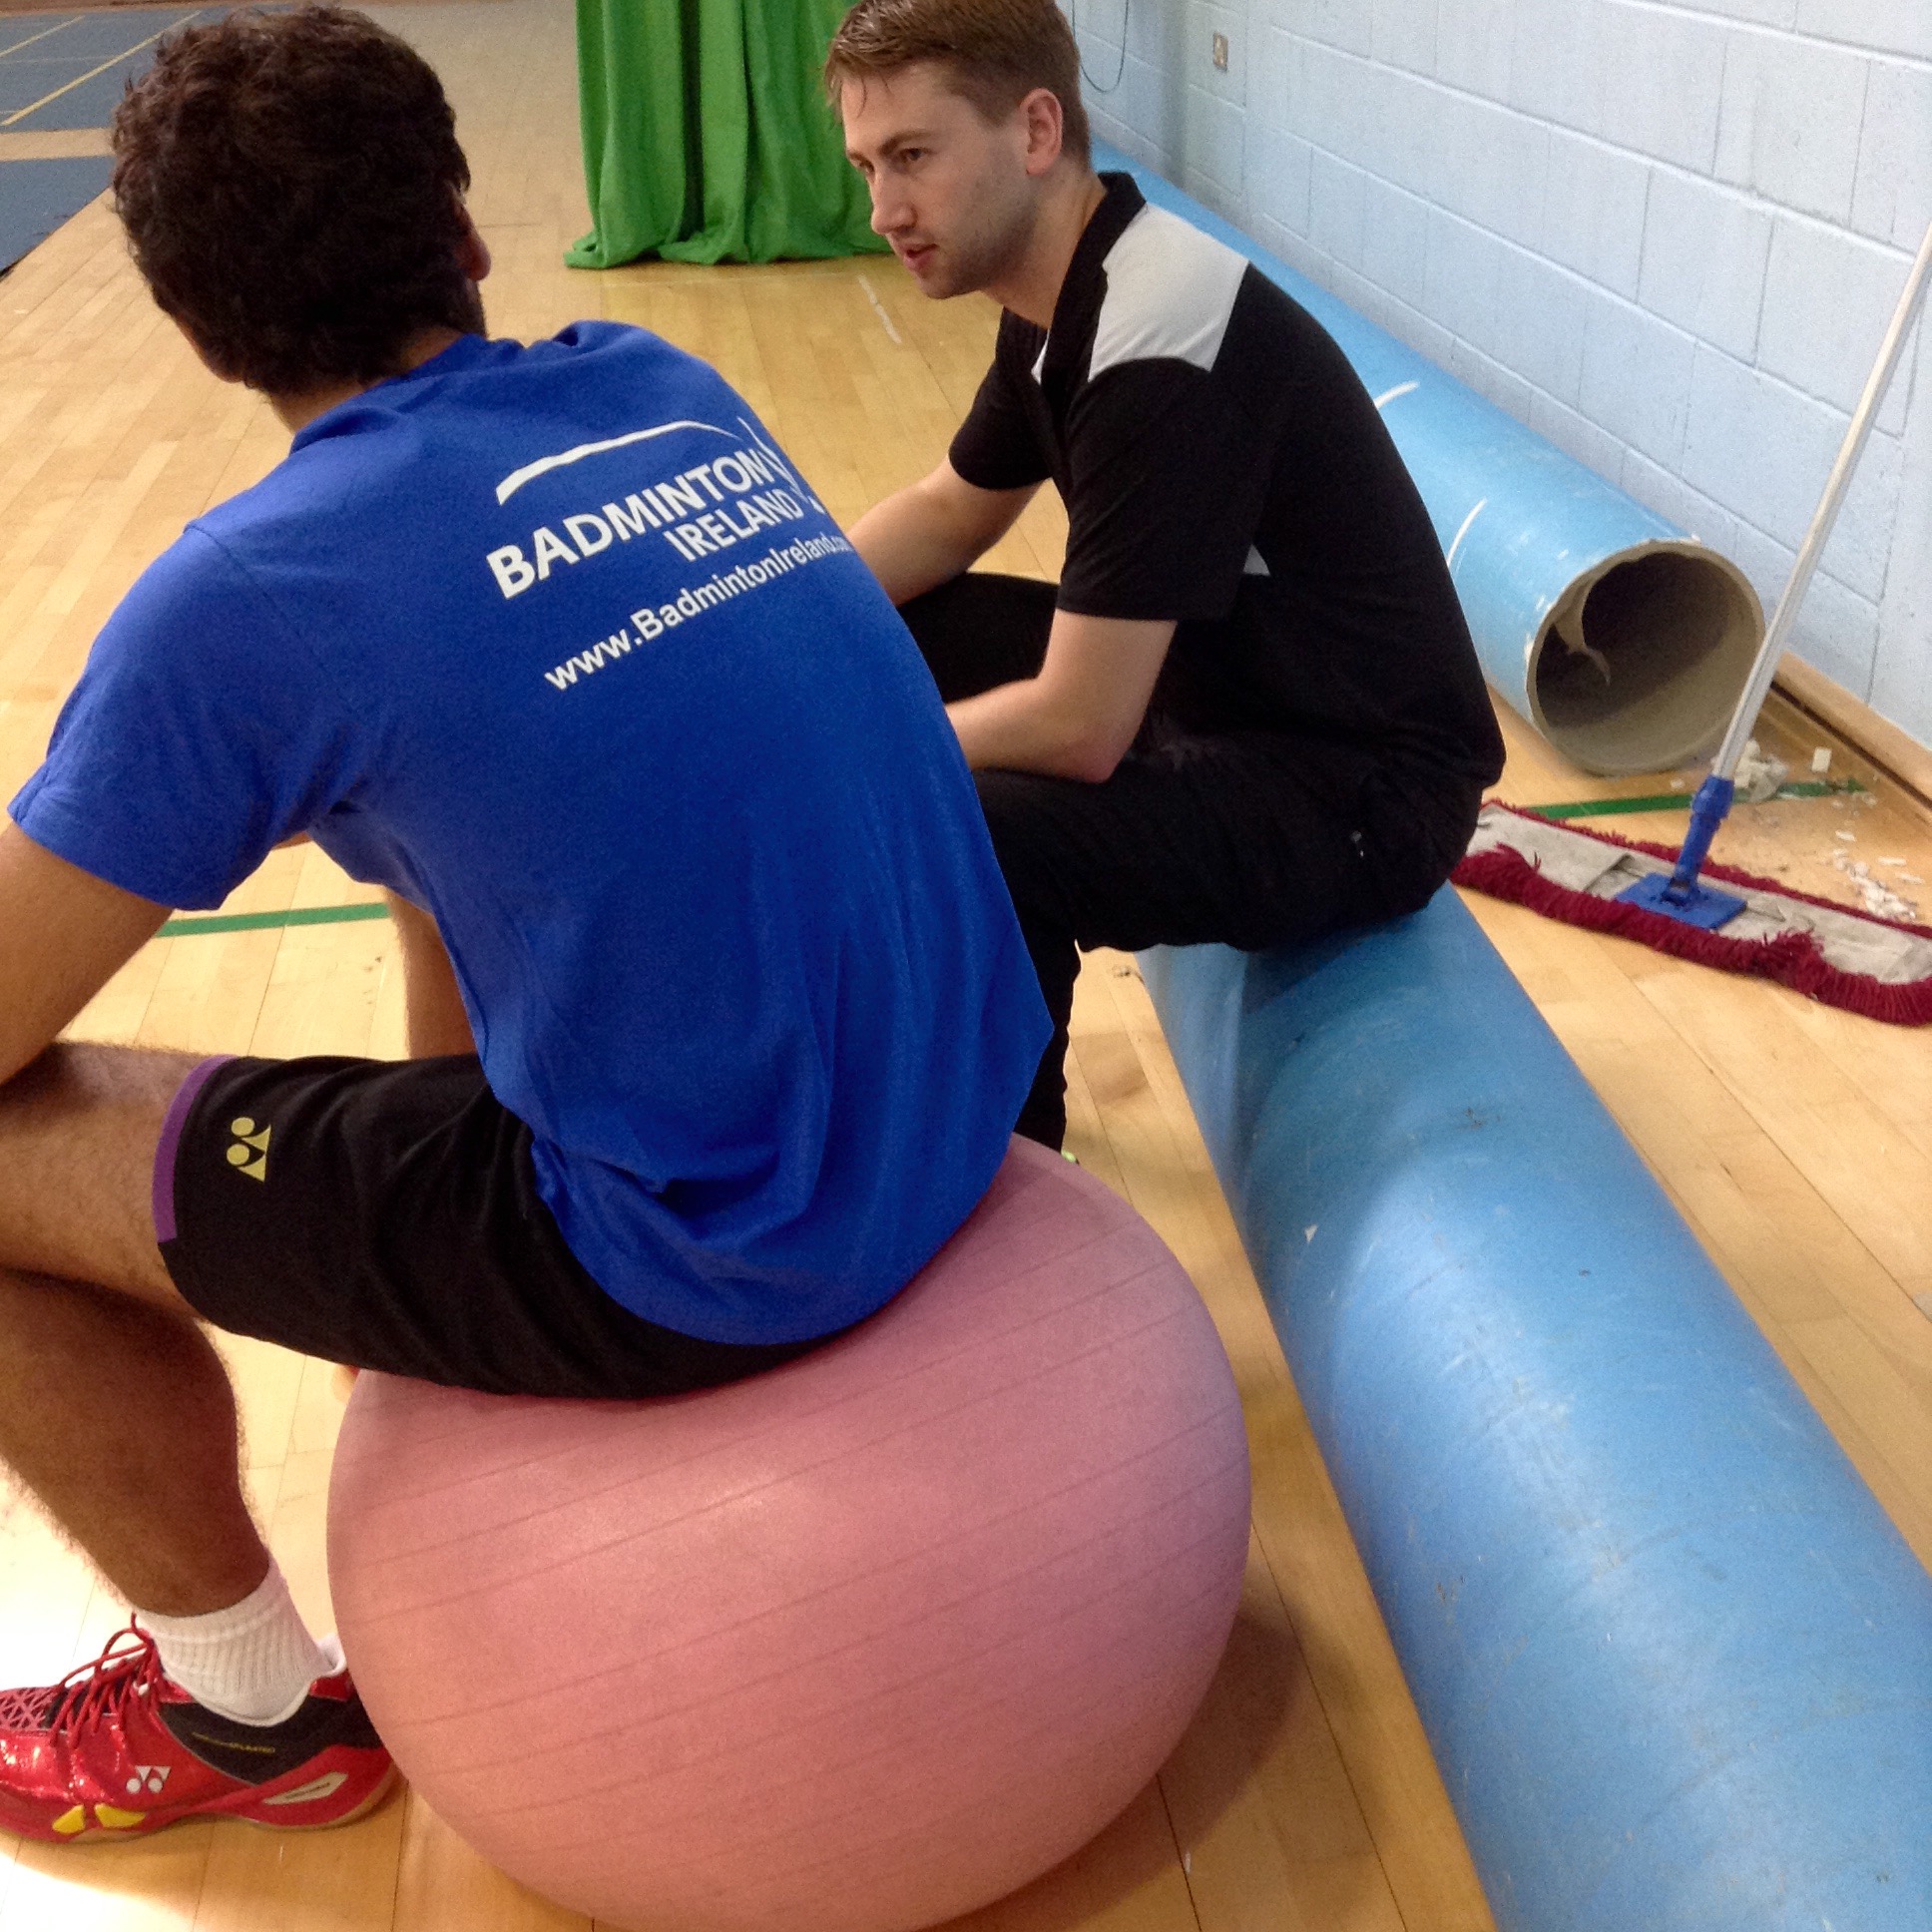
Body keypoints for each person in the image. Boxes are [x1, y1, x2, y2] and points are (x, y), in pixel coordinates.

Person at [0, 6, 1047, 1843]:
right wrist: (403, 1261)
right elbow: (478, 815)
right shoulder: (655, 381)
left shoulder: (256, 592)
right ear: (469, 237)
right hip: (960, 1120)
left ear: (192, 325)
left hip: (722, 1253)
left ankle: (245, 1714)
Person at [828, 0, 1508, 1148]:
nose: (884, 209)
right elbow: (949, 515)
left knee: (979, 818)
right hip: (1222, 692)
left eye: (912, 159)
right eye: (865, 165)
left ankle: (1008, 1178)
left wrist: (857, 750)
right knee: (886, 636)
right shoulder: (1059, 292)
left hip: (1359, 787)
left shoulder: (1158, 336)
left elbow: (1082, 728)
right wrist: (770, 633)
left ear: (1035, 131)